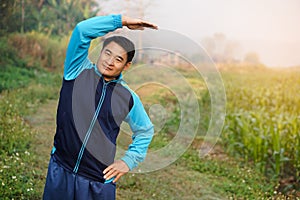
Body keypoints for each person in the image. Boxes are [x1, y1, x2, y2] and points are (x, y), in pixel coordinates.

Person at [42, 14, 158, 200]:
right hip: (61, 169)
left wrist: (128, 161)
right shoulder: (77, 71)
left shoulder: (128, 97)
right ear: (101, 52)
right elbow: (82, 31)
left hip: (97, 180)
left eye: (118, 59)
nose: (110, 61)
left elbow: (145, 130)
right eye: (107, 53)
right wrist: (121, 21)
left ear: (127, 66)